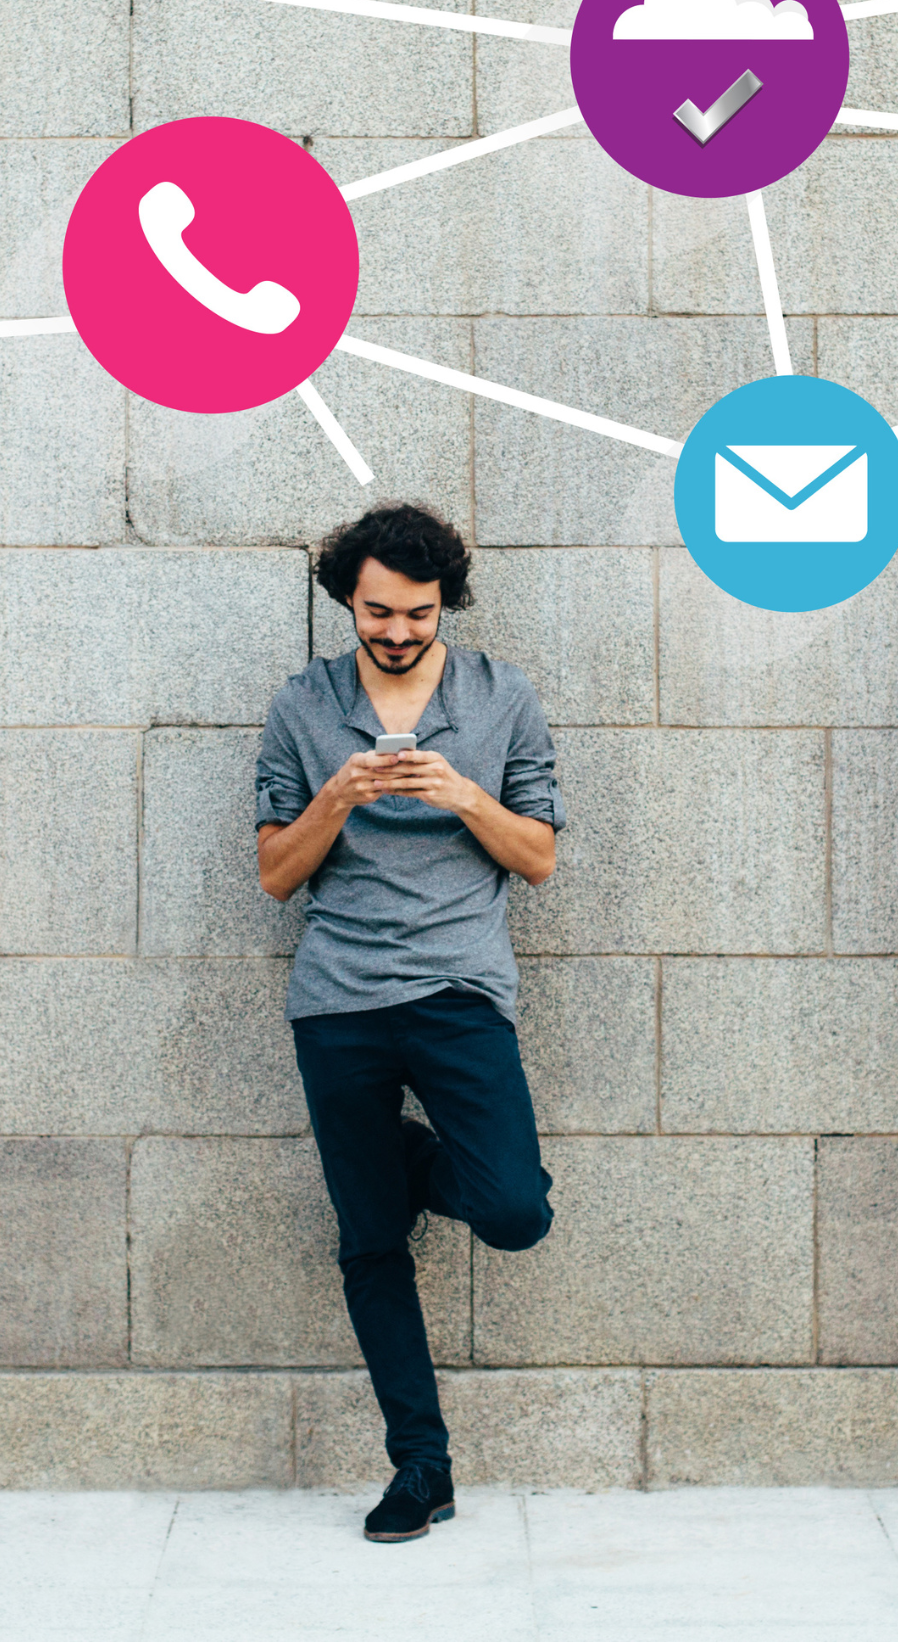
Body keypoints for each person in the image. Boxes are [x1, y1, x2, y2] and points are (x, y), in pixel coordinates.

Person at [256, 503, 561, 1542]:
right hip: (337, 1000)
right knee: (371, 1240)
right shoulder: (302, 706)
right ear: (348, 597)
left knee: (514, 1205)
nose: (395, 632)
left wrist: (462, 794)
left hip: (457, 991)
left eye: (416, 614)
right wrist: (335, 796)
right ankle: (418, 1466)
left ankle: (403, 1161)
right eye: (376, 612)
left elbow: (538, 855)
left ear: (446, 603)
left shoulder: (499, 696)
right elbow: (273, 875)